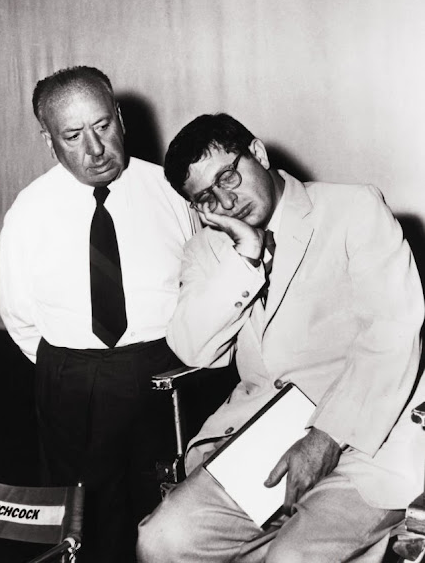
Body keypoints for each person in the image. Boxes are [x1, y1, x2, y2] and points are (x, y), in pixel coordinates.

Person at [137, 113, 425, 562]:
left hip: (367, 442)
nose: (226, 201)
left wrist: (325, 437)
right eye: (207, 198)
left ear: (258, 153)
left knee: (290, 558)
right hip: (263, 443)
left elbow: (392, 334)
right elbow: (193, 348)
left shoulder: (353, 209)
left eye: (228, 176)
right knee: (161, 540)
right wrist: (246, 257)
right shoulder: (207, 250)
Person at [0, 66, 198, 562]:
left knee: (172, 514)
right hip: (72, 381)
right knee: (84, 527)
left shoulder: (171, 190)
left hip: (165, 372)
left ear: (121, 119)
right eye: (72, 135)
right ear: (49, 141)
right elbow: (19, 316)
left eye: (103, 126)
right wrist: (73, 368)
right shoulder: (29, 210)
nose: (95, 149)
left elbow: (201, 285)